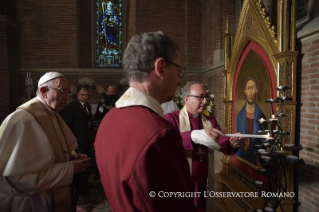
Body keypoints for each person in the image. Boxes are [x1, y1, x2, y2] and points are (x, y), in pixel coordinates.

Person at [95, 31, 201, 211]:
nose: (179, 80)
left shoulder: (109, 119)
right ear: (160, 68)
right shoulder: (160, 135)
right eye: (178, 69)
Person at [0, 72, 91, 212]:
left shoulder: (53, 115)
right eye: (63, 91)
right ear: (44, 91)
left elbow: (51, 152)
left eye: (69, 92)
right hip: (31, 203)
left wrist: (70, 156)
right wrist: (70, 168)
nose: (67, 97)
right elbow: (22, 179)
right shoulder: (22, 120)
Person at [165, 81, 244, 211]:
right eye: (200, 97)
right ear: (186, 99)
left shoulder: (210, 121)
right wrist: (196, 135)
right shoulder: (171, 119)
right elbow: (168, 143)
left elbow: (222, 142)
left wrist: (232, 143)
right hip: (180, 182)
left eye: (206, 97)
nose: (205, 101)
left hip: (202, 182)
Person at [61, 85, 94, 195]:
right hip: (78, 140)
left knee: (88, 162)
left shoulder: (88, 106)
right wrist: (72, 142)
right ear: (77, 95)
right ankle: (80, 187)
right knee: (80, 164)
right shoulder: (72, 106)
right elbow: (68, 125)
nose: (85, 97)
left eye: (86, 95)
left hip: (87, 139)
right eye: (82, 95)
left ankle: (85, 182)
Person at [236, 75, 267, 165]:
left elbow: (264, 143)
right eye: (248, 88)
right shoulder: (240, 116)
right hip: (242, 159)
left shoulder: (262, 117)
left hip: (256, 160)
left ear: (256, 90)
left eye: (252, 88)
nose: (250, 92)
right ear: (245, 91)